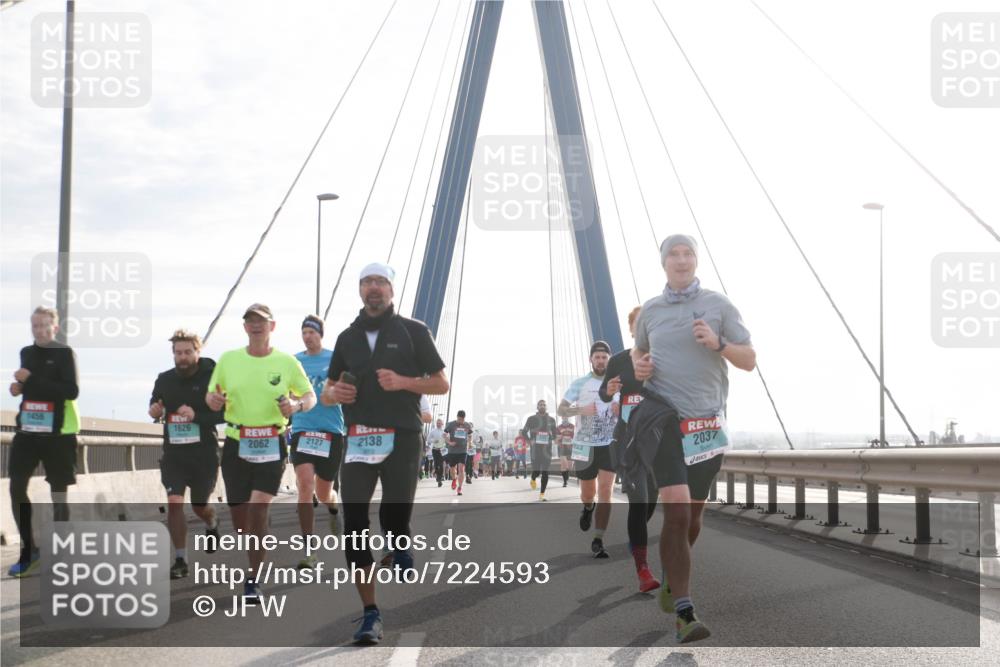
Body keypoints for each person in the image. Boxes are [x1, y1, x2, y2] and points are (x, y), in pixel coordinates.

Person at [630, 234, 755, 643]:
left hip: (706, 428)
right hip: (665, 421)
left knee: (694, 519)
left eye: (688, 254)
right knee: (678, 512)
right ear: (664, 263)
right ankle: (685, 611)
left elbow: (750, 360)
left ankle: (672, 578)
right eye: (673, 255)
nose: (681, 260)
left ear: (696, 260)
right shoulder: (651, 310)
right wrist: (641, 367)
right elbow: (638, 353)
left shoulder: (720, 306)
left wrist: (719, 344)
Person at [322, 262, 448, 645]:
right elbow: (328, 390)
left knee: (395, 512)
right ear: (360, 290)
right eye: (367, 282)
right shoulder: (346, 338)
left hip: (403, 437)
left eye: (381, 282)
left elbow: (442, 382)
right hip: (359, 438)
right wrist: (334, 395)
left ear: (391, 290)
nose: (374, 288)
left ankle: (400, 542)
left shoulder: (413, 331)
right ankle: (370, 614)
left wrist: (404, 383)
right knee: (355, 522)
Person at [205, 303, 315, 603]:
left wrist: (295, 406)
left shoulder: (287, 362)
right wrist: (214, 400)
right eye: (250, 322)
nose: (256, 326)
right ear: (244, 328)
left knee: (258, 509)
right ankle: (259, 537)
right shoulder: (229, 360)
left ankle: (253, 580)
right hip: (236, 442)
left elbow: (310, 396)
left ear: (272, 326)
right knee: (242, 520)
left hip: (271, 441)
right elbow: (211, 396)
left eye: (261, 322)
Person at [7, 307, 80, 578]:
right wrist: (19, 389)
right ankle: (29, 551)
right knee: (16, 488)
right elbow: (33, 387)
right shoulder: (27, 352)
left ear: (55, 328)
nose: (39, 330)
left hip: (58, 434)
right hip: (27, 432)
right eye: (35, 325)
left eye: (44, 326)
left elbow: (71, 390)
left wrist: (31, 380)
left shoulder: (64, 353)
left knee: (58, 494)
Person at [149, 329, 223, 579]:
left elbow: (225, 414)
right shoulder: (164, 379)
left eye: (187, 352)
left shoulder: (212, 376)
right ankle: (180, 558)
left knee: (200, 505)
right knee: (174, 503)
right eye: (178, 353)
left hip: (204, 454)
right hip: (174, 455)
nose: (182, 357)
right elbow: (154, 408)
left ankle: (211, 522)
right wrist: (156, 410)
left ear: (197, 352)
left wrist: (197, 416)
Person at [598, 306, 659, 593]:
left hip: (659, 441)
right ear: (632, 330)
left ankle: (637, 539)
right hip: (629, 442)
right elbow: (603, 392)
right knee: (639, 502)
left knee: (650, 502)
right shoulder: (620, 360)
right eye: (639, 324)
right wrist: (609, 390)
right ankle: (643, 570)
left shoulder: (665, 359)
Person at [288, 315, 345, 570]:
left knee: (323, 493)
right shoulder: (294, 361)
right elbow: (287, 391)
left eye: (311, 332)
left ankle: (333, 507)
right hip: (303, 430)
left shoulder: (335, 359)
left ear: (320, 334)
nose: (307, 336)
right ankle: (310, 551)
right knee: (305, 485)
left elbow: (347, 389)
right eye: (304, 332)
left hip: (330, 431)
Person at [558, 341, 617, 558]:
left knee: (606, 491)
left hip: (610, 443)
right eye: (597, 357)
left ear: (609, 360)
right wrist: (581, 409)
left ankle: (598, 539)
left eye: (604, 357)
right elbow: (561, 408)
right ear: (591, 359)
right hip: (584, 445)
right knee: (588, 492)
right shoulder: (580, 383)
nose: (601, 361)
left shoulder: (618, 383)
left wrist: (621, 409)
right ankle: (587, 507)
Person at [523, 400, 557, 501]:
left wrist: (553, 437)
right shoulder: (531, 419)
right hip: (535, 450)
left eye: (544, 405)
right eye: (540, 405)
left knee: (545, 472)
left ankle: (542, 494)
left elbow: (555, 434)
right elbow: (524, 432)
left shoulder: (551, 420)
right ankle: (533, 478)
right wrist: (529, 441)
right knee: (537, 472)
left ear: (546, 407)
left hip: (547, 450)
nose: (542, 406)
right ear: (537, 407)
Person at [444, 411, 472, 496]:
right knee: (452, 469)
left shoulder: (467, 425)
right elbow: (444, 435)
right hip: (452, 451)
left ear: (464, 418)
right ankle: (454, 479)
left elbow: (470, 435)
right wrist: (449, 442)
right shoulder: (451, 424)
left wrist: (470, 443)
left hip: (463, 451)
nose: (461, 421)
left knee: (461, 469)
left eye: (462, 419)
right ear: (457, 417)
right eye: (459, 419)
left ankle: (459, 488)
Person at [428, 418, 447, 486]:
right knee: (436, 463)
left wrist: (446, 441)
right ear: (436, 424)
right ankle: (437, 474)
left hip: (442, 450)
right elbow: (428, 440)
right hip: (435, 449)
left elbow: (447, 440)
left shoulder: (445, 432)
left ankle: (439, 478)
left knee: (441, 464)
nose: (438, 424)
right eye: (437, 423)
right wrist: (433, 441)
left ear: (442, 424)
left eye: (440, 423)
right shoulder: (433, 431)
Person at [556, 417, 574, 487]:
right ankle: (565, 481)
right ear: (562, 418)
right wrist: (559, 439)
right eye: (563, 418)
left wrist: (571, 440)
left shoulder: (572, 426)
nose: (565, 419)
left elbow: (576, 436)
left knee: (569, 466)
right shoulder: (558, 427)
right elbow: (556, 439)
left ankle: (567, 475)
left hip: (570, 447)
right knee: (563, 465)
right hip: (562, 448)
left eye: (566, 417)